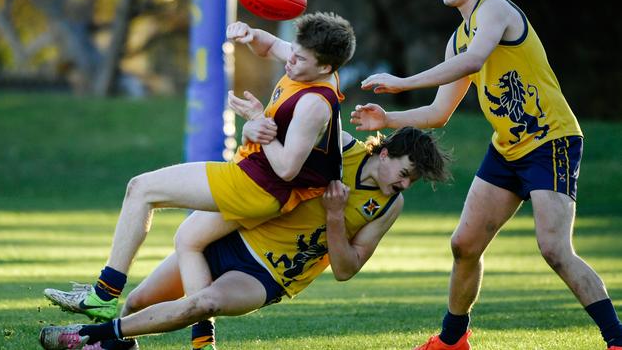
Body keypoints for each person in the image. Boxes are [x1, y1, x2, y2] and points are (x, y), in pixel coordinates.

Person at [350, 0, 622, 349]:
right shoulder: (456, 40)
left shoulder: (495, 11)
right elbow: (438, 113)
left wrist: (403, 83)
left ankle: (616, 338)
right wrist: (387, 119)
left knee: (554, 248)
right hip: (507, 149)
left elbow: (475, 61)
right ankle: (452, 341)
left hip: (550, 140)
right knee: (464, 244)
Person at [43, 12, 356, 324]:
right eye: (294, 52)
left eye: (299, 59)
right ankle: (203, 342)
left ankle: (103, 295)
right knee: (190, 239)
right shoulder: (309, 62)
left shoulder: (312, 105)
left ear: (325, 67)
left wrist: (258, 122)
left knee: (141, 189)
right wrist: (250, 33)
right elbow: (271, 44)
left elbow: (287, 169)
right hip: (257, 180)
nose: (290, 60)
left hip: (256, 185)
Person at [38, 126, 453, 350]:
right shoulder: (339, 149)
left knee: (205, 303)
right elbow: (295, 126)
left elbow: (346, 270)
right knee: (138, 305)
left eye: (413, 180)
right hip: (232, 237)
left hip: (267, 276)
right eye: (405, 174)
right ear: (384, 154)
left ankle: (88, 336)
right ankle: (114, 341)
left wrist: (333, 218)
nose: (405, 185)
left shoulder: (387, 206)